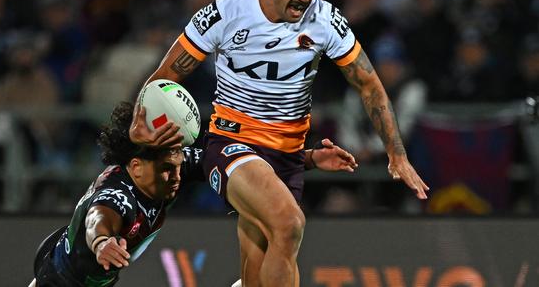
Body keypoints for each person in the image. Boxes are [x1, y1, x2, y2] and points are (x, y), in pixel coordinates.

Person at [129, 0, 429, 287]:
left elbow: (370, 86)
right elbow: (163, 78)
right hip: (231, 144)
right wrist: (138, 126)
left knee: (258, 273)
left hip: (288, 157)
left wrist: (396, 154)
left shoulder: (326, 21)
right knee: (289, 224)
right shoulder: (225, 15)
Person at [30, 101, 358, 286]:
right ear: (136, 166)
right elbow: (99, 218)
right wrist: (102, 242)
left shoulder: (167, 165)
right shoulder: (118, 195)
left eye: (177, 164)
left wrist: (311, 159)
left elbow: (238, 166)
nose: (176, 177)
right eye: (167, 170)